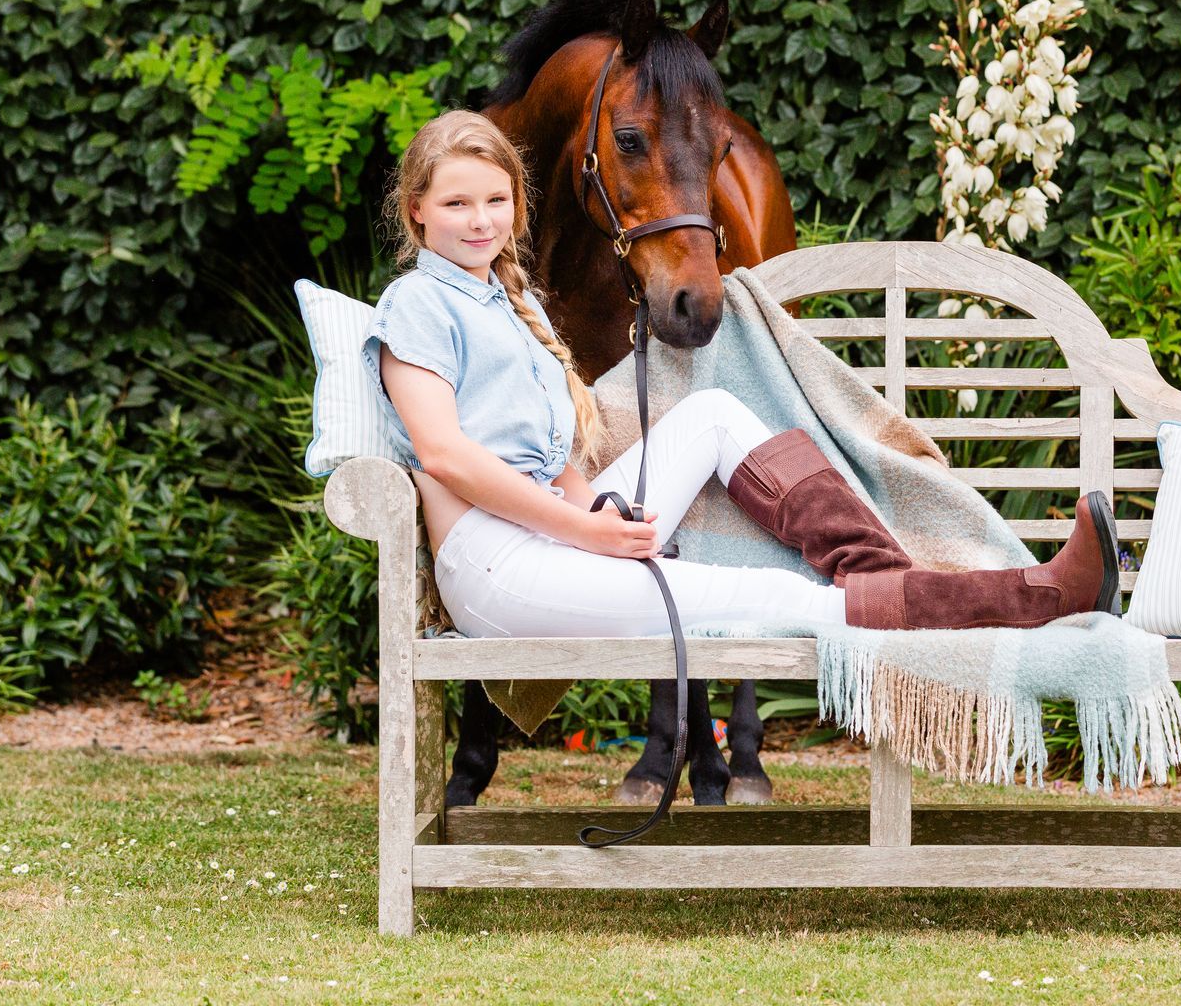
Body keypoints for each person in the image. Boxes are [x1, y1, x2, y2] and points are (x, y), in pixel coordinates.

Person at [363, 109, 1120, 639]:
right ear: (417, 210)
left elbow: (545, 462)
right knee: (776, 597)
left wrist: (599, 514)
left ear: (516, 205)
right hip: (498, 567)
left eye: (495, 200)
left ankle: (880, 571)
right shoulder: (418, 303)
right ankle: (1038, 599)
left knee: (713, 413)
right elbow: (445, 455)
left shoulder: (507, 301)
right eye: (457, 203)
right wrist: (585, 531)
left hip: (552, 533)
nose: (481, 220)